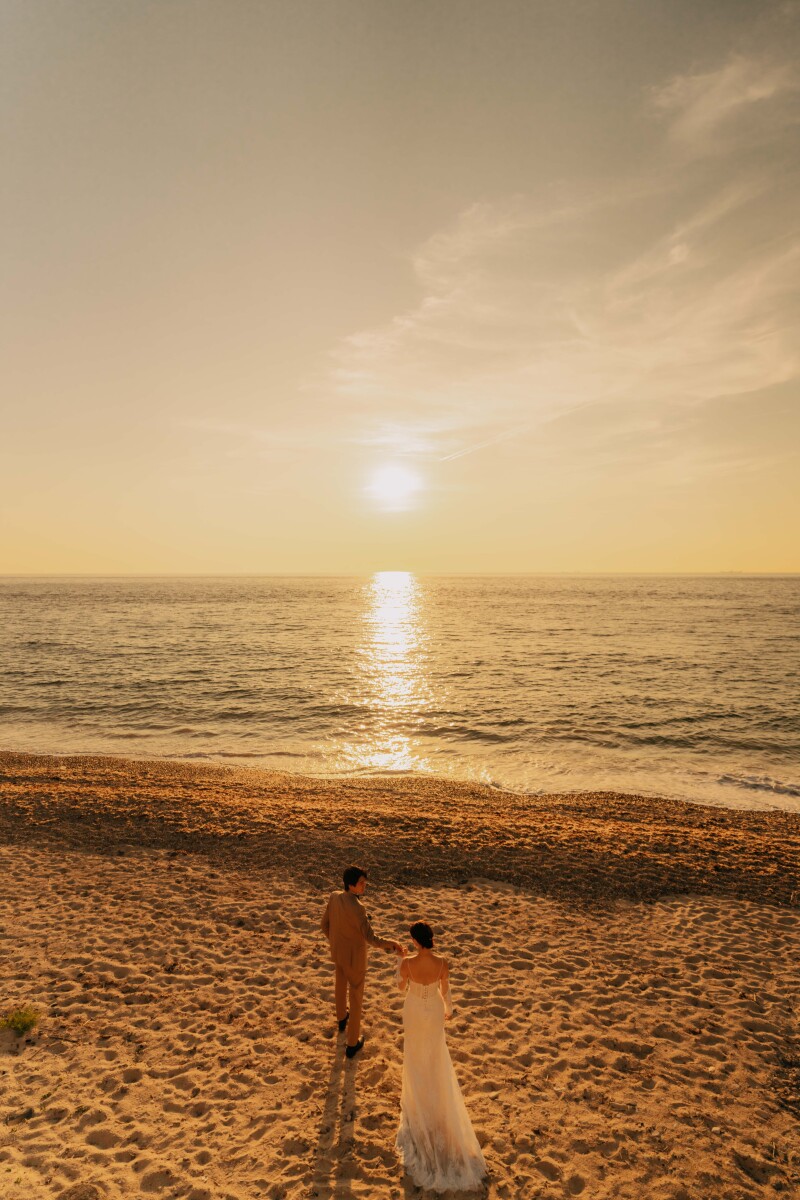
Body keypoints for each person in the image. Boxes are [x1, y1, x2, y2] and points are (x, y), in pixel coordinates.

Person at [395, 921, 487, 1192]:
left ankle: (417, 1105)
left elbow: (401, 988)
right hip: (434, 1012)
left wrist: (400, 963)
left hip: (413, 1012)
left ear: (414, 941)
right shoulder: (443, 962)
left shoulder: (408, 963)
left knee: (414, 1058)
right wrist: (448, 1010)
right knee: (436, 1056)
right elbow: (445, 991)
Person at [320, 865, 404, 1060]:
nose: (364, 886)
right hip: (355, 959)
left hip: (338, 953)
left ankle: (341, 1019)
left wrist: (336, 942)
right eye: (361, 883)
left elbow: (324, 925)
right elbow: (371, 938)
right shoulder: (359, 908)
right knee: (356, 999)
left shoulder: (334, 896)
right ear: (351, 885)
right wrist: (392, 944)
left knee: (340, 986)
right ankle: (352, 1043)